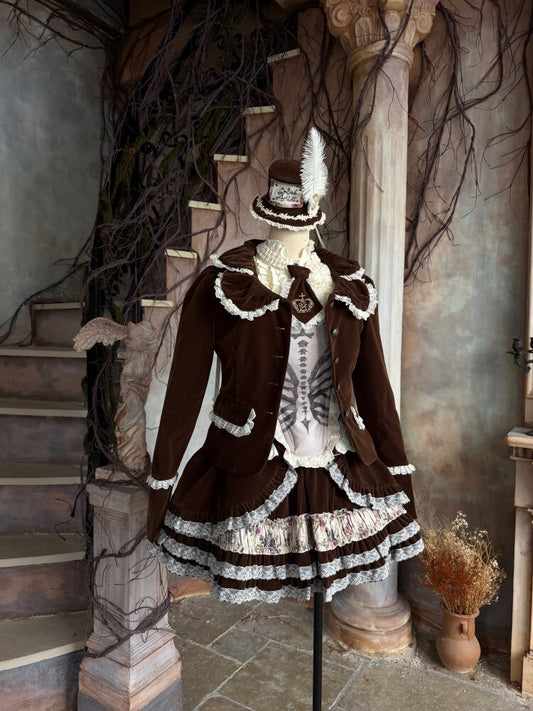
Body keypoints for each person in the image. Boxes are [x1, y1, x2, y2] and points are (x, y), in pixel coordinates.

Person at [145, 129, 423, 603]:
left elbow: (377, 395)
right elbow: (184, 392)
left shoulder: (352, 285)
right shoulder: (222, 283)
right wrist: (162, 484)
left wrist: (400, 477)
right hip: (248, 465)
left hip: (339, 466)